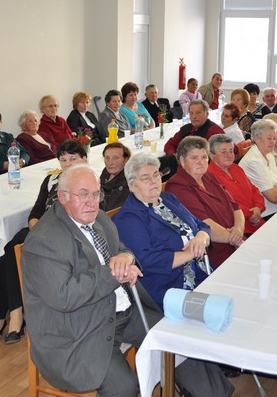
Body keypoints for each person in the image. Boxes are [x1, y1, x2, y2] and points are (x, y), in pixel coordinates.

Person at [22, 165, 234, 396]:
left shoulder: (98, 217)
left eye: (96, 194)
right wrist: (113, 273)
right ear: (62, 197)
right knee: (124, 387)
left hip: (124, 311)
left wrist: (126, 257)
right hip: (81, 330)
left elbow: (123, 249)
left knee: (180, 339)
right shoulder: (44, 240)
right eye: (83, 194)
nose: (92, 202)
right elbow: (64, 297)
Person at [0, 139, 87, 346]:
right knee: (12, 249)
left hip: (66, 233)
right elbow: (36, 211)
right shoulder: (51, 179)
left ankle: (2, 318)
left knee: (10, 254)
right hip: (42, 229)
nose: (68, 164)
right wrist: (37, 228)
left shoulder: (87, 182)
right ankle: (14, 315)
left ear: (84, 159)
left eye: (73, 159)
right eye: (63, 160)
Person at [113, 153, 212, 309]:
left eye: (156, 175)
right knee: (221, 311)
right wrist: (191, 253)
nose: (153, 181)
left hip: (204, 273)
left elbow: (201, 225)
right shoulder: (128, 218)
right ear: (131, 185)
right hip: (172, 288)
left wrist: (200, 238)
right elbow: (146, 261)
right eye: (145, 178)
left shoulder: (168, 199)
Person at [165, 137, 244, 268]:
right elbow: (204, 225)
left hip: (235, 241)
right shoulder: (177, 186)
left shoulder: (209, 176)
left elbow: (236, 207)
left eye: (204, 157)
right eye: (194, 158)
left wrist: (239, 230)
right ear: (182, 161)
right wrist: (236, 240)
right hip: (212, 252)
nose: (200, 162)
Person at [208, 134, 266, 235]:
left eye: (231, 151)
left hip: (256, 222)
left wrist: (258, 208)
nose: (229, 155)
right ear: (211, 155)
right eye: (223, 152)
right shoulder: (209, 176)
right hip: (236, 230)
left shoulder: (236, 168)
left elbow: (254, 190)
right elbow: (224, 206)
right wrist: (252, 214)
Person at [239, 120, 277, 217]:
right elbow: (274, 198)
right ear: (256, 138)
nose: (273, 142)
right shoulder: (253, 161)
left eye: (274, 138)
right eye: (269, 138)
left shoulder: (269, 155)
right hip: (267, 213)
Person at [100, 142, 131, 212]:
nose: (110, 162)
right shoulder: (106, 171)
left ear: (126, 160)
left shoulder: (126, 180)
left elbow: (108, 207)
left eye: (115, 158)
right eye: (107, 158)